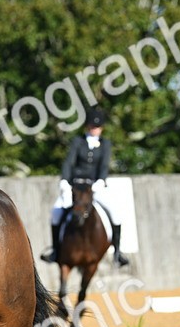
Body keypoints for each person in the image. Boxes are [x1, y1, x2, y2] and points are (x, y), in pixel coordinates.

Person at [41, 109, 131, 267]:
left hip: (95, 186)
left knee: (116, 213)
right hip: (75, 186)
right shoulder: (78, 141)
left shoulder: (105, 144)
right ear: (87, 127)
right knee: (56, 212)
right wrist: (64, 181)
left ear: (101, 128)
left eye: (97, 127)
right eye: (91, 126)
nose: (94, 130)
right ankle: (55, 251)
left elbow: (104, 165)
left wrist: (101, 181)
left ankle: (117, 252)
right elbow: (69, 162)